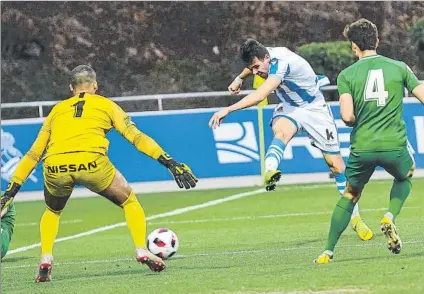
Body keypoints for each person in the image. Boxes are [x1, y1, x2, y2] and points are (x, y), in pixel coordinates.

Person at [0, 65, 198, 282]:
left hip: (56, 166)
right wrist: (169, 162)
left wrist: (10, 193)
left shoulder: (56, 110)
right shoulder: (106, 104)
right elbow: (136, 137)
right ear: (95, 85)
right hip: (92, 163)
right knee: (130, 201)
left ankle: (46, 257)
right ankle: (141, 249)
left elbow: (33, 154)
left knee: (52, 211)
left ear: (70, 88)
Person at [209, 38, 372, 241]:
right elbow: (253, 65)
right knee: (281, 133)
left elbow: (260, 95)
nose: (255, 72)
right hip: (290, 108)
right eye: (251, 69)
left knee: (336, 166)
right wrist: (239, 78)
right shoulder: (265, 54)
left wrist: (228, 109)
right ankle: (269, 170)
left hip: (314, 108)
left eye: (257, 67)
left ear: (267, 58)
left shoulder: (282, 63)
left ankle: (355, 218)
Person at [314, 19, 424, 264]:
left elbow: (346, 116)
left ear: (354, 46)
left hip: (362, 148)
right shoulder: (399, 67)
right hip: (394, 145)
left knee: (350, 194)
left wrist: (359, 118)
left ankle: (328, 251)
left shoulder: (346, 75)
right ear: (377, 41)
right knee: (405, 175)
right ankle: (389, 215)